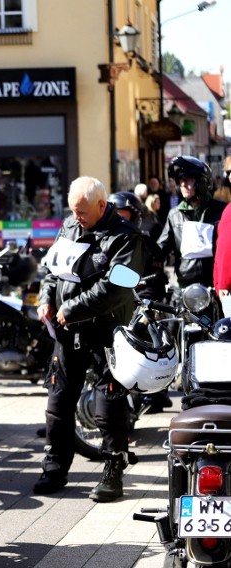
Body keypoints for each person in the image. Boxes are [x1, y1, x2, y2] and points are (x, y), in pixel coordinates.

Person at [34, 177, 147, 503]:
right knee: (58, 403)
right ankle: (54, 466)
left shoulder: (127, 239)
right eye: (73, 211)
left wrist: (72, 308)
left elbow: (116, 288)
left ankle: (113, 472)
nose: (77, 217)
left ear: (101, 205)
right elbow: (52, 270)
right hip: (67, 333)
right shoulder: (70, 226)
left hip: (106, 332)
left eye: (82, 211)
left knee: (108, 409)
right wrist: (46, 298)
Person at [110, 191, 171, 413]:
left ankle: (155, 392)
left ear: (134, 215)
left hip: (137, 306)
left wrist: (146, 299)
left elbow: (156, 278)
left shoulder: (144, 242)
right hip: (109, 308)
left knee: (146, 332)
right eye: (113, 213)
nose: (117, 217)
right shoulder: (103, 241)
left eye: (121, 213)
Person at [157, 156, 225, 320]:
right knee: (173, 335)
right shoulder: (174, 214)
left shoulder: (222, 210)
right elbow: (160, 249)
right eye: (180, 181)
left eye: (188, 180)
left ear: (202, 182)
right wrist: (142, 244)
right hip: (184, 290)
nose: (183, 185)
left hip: (215, 290)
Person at [213, 156, 231, 316]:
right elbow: (222, 250)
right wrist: (219, 284)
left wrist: (222, 283)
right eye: (229, 172)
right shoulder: (228, 210)